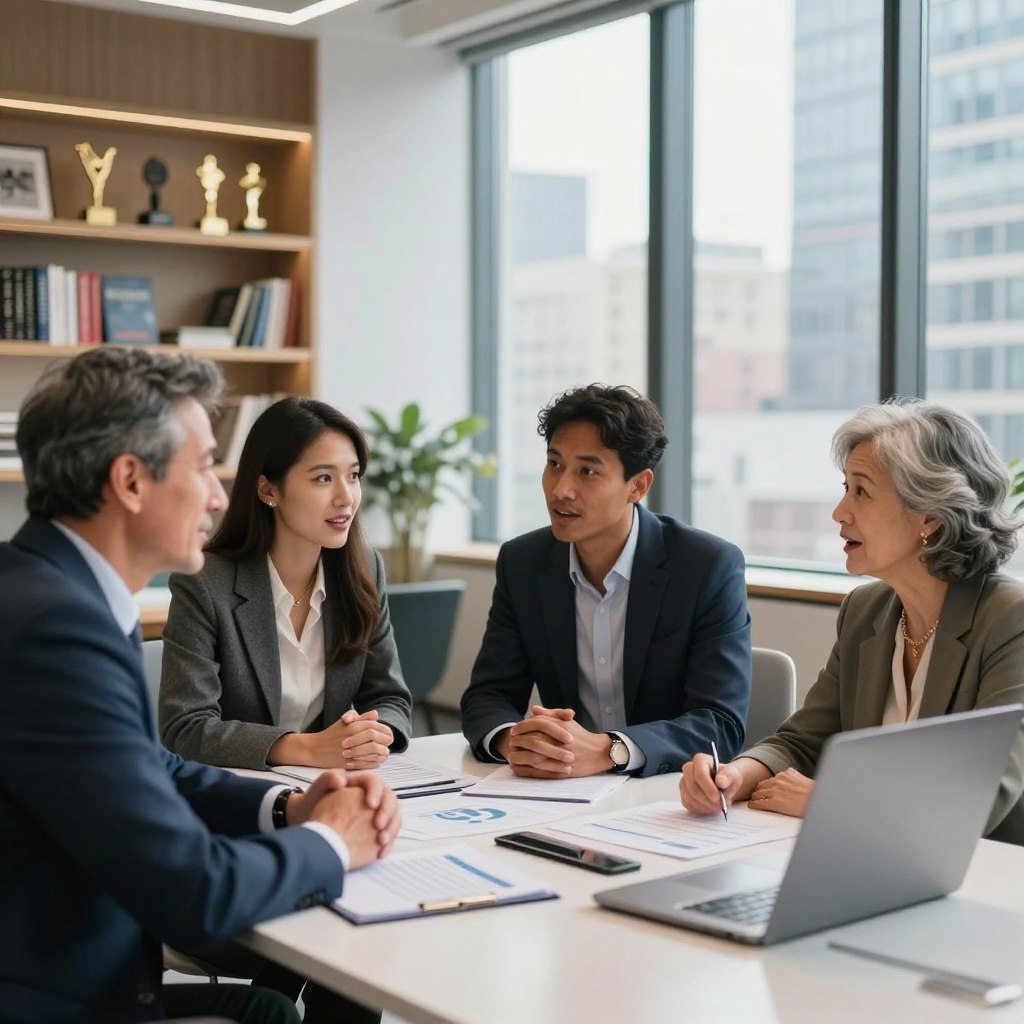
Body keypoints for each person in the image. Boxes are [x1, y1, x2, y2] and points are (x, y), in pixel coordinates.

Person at [0, 347, 401, 1024]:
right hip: (56, 996)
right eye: (201, 467)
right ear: (130, 480)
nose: (220, 494)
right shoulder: (59, 629)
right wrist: (331, 841)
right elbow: (193, 892)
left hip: (67, 966)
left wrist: (285, 809)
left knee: (271, 1009)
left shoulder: (57, 593)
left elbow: (143, 765)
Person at [680, 399, 1024, 846]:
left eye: (861, 491)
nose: (840, 511)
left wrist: (829, 801)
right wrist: (732, 777)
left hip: (986, 878)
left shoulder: (1009, 619)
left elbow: (980, 796)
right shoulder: (867, 610)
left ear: (930, 516)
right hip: (869, 859)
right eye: (846, 488)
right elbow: (803, 742)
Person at [461, 384, 751, 779]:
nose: (561, 489)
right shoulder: (523, 563)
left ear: (638, 485)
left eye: (588, 471)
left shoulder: (705, 567)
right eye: (555, 464)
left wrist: (609, 749)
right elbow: (489, 694)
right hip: (561, 793)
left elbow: (719, 723)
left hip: (666, 795)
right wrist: (515, 741)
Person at [160, 397, 412, 772]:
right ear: (268, 490)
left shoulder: (365, 568)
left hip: (334, 783)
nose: (346, 497)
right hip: (238, 791)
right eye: (323, 478)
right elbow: (187, 727)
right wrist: (304, 749)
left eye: (354, 475)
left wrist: (373, 736)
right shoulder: (204, 583)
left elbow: (389, 697)